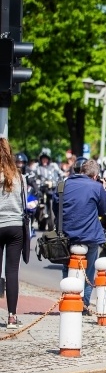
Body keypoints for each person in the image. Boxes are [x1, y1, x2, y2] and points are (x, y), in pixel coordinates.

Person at [54, 159, 106, 313]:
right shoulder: (97, 187)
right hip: (89, 236)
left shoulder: (62, 185)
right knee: (89, 270)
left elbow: (55, 209)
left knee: (67, 266)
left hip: (66, 236)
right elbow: (103, 210)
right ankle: (84, 305)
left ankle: (68, 298)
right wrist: (103, 189)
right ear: (95, 175)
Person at [0, 138, 26, 329]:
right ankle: (11, 317)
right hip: (16, 227)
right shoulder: (19, 177)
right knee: (12, 272)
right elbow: (25, 204)